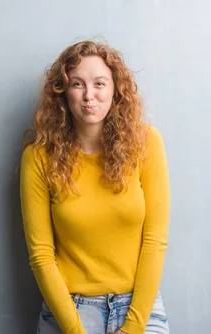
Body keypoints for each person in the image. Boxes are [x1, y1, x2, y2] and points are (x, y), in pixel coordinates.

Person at [19, 40, 170, 334]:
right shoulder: (38, 157)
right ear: (63, 93)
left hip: (139, 308)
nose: (89, 95)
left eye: (99, 83)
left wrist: (133, 327)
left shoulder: (146, 143)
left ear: (116, 90)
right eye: (77, 84)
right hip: (68, 311)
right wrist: (75, 330)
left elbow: (155, 240)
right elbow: (41, 255)